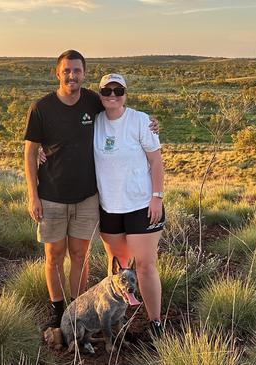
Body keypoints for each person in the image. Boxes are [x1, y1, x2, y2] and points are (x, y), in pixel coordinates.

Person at [24, 51, 158, 329]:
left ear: (84, 74)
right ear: (57, 73)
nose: (72, 75)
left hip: (87, 197)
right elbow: (30, 150)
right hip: (51, 195)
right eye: (67, 71)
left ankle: (77, 308)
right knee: (54, 256)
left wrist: (152, 122)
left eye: (77, 71)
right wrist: (32, 194)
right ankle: (57, 310)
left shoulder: (92, 101)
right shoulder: (42, 107)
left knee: (80, 257)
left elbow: (119, 108)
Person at [93, 73, 165, 337]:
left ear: (125, 93)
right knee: (119, 268)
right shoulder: (94, 122)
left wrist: (157, 196)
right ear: (100, 94)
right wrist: (42, 150)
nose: (112, 95)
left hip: (141, 205)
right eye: (107, 91)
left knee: (145, 265)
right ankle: (118, 320)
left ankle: (155, 322)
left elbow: (156, 162)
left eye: (118, 90)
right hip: (109, 208)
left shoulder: (141, 121)